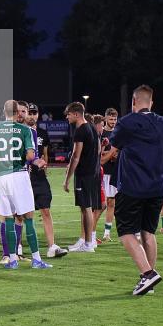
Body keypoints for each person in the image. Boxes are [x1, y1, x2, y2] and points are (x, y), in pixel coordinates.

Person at [105, 84, 163, 295]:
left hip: (132, 187)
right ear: (152, 102)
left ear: (133, 102)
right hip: (156, 187)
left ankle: (148, 274)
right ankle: (149, 280)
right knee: (148, 232)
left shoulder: (127, 122)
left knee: (126, 232)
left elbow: (114, 148)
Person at [0, 100, 51, 269]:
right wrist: (38, 161)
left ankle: (12, 259)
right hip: (19, 176)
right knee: (28, 218)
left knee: (7, 219)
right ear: (17, 113)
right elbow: (30, 156)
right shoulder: (25, 130)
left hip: (1, 178)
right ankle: (36, 259)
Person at [25, 104, 67, 257]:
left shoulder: (42, 132)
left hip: (39, 177)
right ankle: (17, 248)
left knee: (46, 210)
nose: (32, 116)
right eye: (29, 113)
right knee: (22, 214)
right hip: (24, 177)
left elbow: (45, 153)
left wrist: (45, 167)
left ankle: (52, 246)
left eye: (34, 113)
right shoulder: (21, 132)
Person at [63, 102, 100, 253]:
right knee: (85, 209)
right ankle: (85, 241)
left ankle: (88, 244)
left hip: (84, 174)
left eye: (69, 114)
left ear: (76, 114)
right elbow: (97, 149)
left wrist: (67, 179)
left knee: (87, 208)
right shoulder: (91, 126)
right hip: (92, 173)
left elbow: (75, 157)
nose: (67, 117)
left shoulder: (80, 130)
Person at [97, 108, 120, 243]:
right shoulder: (101, 132)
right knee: (100, 204)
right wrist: (110, 154)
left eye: (115, 119)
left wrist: (117, 155)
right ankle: (91, 232)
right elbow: (98, 151)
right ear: (105, 119)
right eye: (111, 119)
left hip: (114, 172)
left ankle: (106, 233)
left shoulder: (118, 133)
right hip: (102, 171)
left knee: (111, 203)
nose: (113, 122)